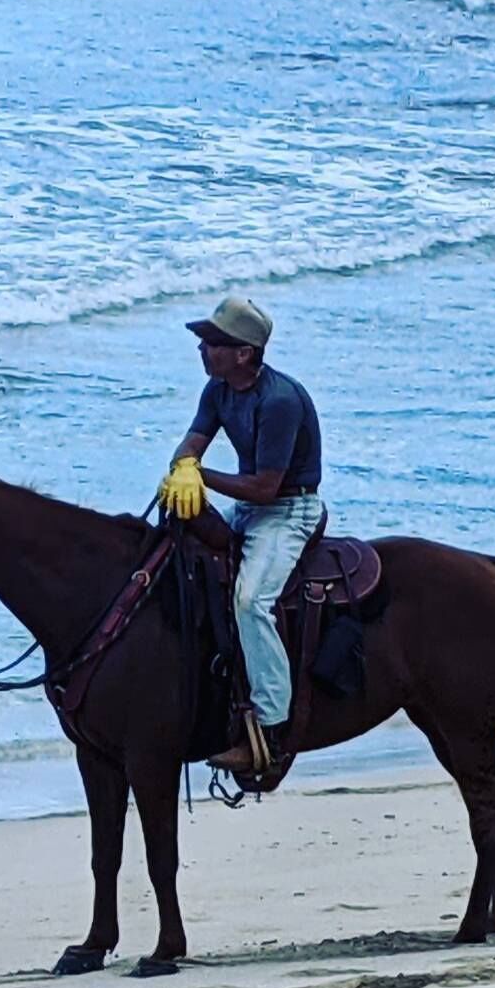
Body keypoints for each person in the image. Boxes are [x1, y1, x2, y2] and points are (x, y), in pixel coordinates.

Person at [157, 295, 324, 774]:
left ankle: (270, 724)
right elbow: (194, 439)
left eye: (212, 343)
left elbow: (266, 487)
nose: (203, 350)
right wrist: (182, 465)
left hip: (288, 509)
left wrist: (202, 476)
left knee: (251, 600)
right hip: (250, 508)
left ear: (244, 353)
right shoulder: (218, 391)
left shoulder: (279, 401)